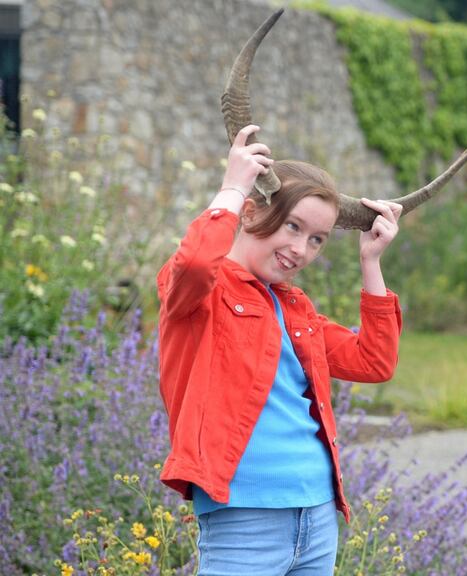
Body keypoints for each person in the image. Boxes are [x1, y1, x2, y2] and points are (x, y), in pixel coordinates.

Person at [156, 124, 403, 575]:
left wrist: (371, 262)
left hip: (318, 512)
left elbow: (374, 361)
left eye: (316, 239)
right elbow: (193, 263)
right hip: (243, 516)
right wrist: (232, 188)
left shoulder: (294, 309)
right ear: (250, 215)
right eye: (293, 226)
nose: (301, 249)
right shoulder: (201, 293)